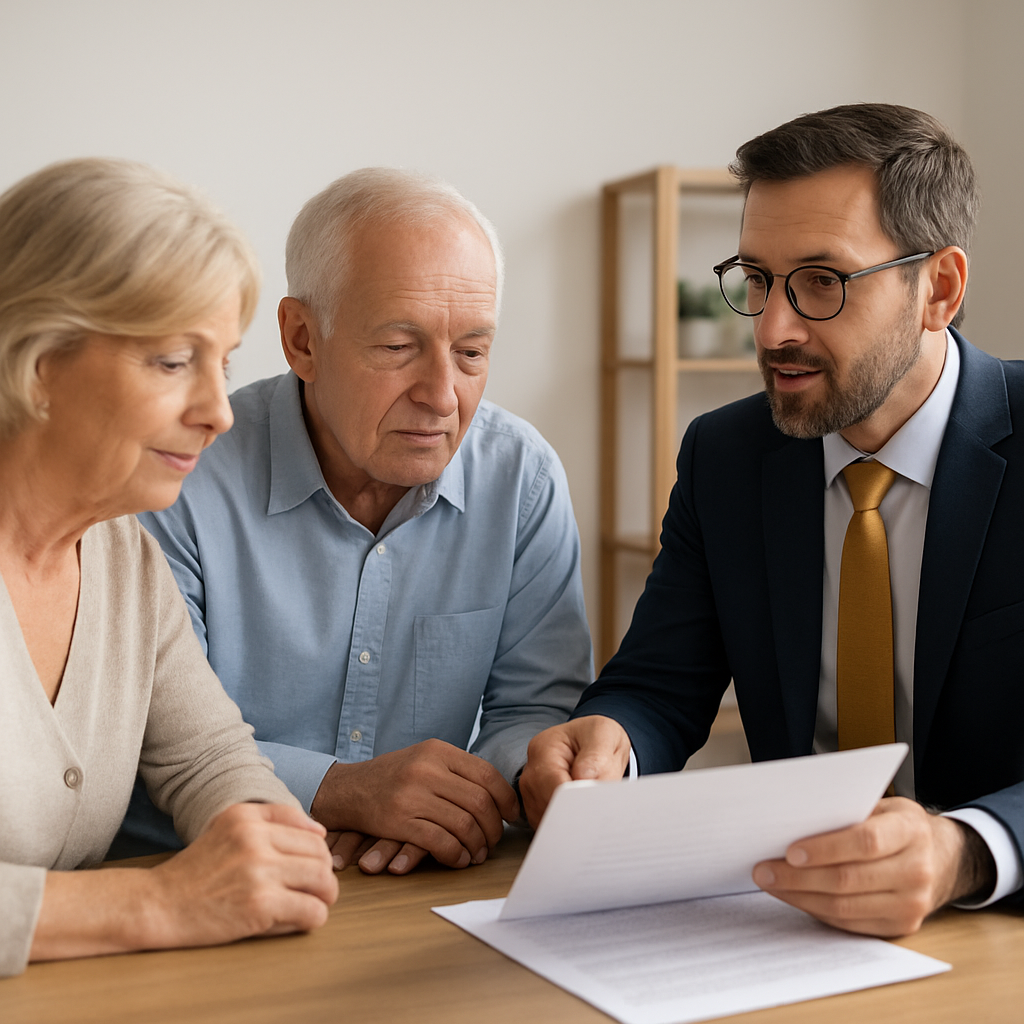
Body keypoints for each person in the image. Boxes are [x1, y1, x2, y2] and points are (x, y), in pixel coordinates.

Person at [521, 103, 1024, 938]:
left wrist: (964, 850)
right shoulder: (726, 456)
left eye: (822, 282)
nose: (774, 329)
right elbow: (658, 684)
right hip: (788, 926)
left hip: (991, 934)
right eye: (757, 279)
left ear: (938, 288)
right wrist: (609, 740)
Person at [118, 168, 593, 876]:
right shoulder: (181, 475)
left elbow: (536, 707)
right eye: (398, 348)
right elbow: (145, 742)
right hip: (196, 875)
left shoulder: (520, 478)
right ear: (302, 339)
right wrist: (338, 792)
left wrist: (483, 792)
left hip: (426, 879)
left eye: (471, 352)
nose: (441, 396)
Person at [0, 158, 338, 978]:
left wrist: (267, 846)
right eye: (172, 361)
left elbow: (207, 757)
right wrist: (163, 903)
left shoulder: (122, 553)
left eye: (221, 361)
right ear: (39, 361)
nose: (220, 411)